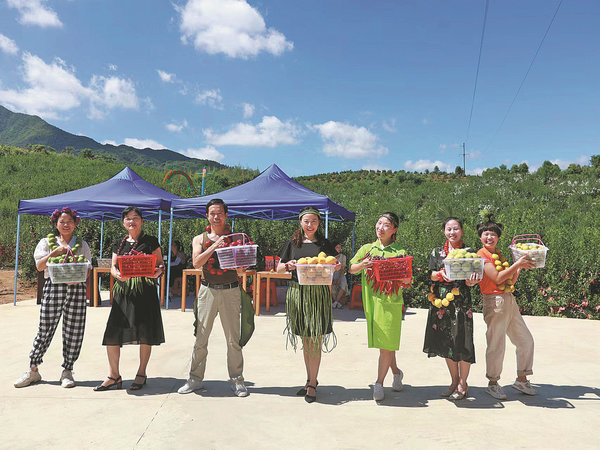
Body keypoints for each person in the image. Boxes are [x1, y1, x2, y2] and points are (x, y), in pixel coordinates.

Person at [178, 199, 249, 397]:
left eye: (219, 213)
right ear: (207, 216)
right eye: (212, 213)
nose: (216, 216)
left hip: (231, 290)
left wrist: (240, 265)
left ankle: (237, 380)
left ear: (226, 215)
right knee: (201, 337)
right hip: (207, 290)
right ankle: (194, 379)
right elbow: (196, 263)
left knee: (233, 340)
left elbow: (242, 270)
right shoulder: (199, 239)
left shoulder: (238, 238)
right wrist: (215, 246)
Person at [14, 207, 92, 389]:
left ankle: (67, 371)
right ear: (55, 223)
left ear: (75, 223)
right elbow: (40, 267)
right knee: (45, 328)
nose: (66, 225)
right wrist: (53, 254)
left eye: (69, 221)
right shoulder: (46, 242)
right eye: (62, 222)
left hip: (77, 289)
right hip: (53, 288)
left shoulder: (82, 244)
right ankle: (33, 370)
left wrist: (79, 279)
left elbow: (88, 268)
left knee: (74, 329)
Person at [95, 206, 165, 391]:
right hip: (123, 294)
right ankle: (114, 375)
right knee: (112, 334)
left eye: (135, 218)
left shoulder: (150, 241)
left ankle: (141, 373)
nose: (131, 221)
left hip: (145, 294)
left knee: (145, 333)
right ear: (123, 222)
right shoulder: (119, 242)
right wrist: (118, 276)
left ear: (141, 221)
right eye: (127, 218)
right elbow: (113, 267)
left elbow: (161, 266)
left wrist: (155, 273)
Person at [277, 206, 341, 403]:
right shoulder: (292, 244)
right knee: (306, 339)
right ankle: (309, 379)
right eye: (306, 221)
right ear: (300, 222)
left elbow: (336, 265)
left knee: (315, 338)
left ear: (319, 223)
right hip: (299, 294)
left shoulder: (324, 244)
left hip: (319, 295)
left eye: (314, 221)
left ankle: (312, 383)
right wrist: (288, 265)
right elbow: (278, 268)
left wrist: (336, 266)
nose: (310, 225)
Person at [349, 212, 411, 402]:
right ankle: (397, 372)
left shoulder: (399, 252)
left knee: (385, 345)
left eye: (386, 225)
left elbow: (407, 281)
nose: (380, 227)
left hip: (390, 304)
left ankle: (378, 383)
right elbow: (351, 268)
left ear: (394, 230)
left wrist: (401, 277)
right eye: (378, 223)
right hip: (371, 303)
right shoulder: (367, 249)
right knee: (385, 344)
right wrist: (363, 264)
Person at [476, 214, 537, 400]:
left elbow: (509, 280)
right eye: (486, 234)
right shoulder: (481, 255)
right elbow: (497, 278)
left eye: (493, 234)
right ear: (480, 237)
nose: (489, 237)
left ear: (498, 237)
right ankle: (493, 383)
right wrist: (516, 263)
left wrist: (519, 268)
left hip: (509, 299)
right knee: (497, 344)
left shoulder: (499, 255)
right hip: (494, 302)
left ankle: (522, 378)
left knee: (525, 340)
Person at [423, 217, 480, 400]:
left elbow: (475, 279)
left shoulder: (469, 252)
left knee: (462, 341)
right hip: (441, 301)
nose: (452, 232)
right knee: (446, 341)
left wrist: (472, 281)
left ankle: (463, 383)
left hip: (461, 300)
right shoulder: (437, 252)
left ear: (462, 231)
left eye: (456, 229)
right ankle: (454, 380)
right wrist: (439, 274)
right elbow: (429, 275)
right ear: (444, 231)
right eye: (449, 229)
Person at [331, 242, 349, 309]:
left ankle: (335, 302)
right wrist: (332, 279)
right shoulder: (330, 257)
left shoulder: (343, 257)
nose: (339, 249)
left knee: (343, 284)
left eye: (339, 247)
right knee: (331, 287)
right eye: (337, 247)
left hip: (340, 274)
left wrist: (339, 279)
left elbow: (343, 269)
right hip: (332, 274)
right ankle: (337, 302)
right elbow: (329, 269)